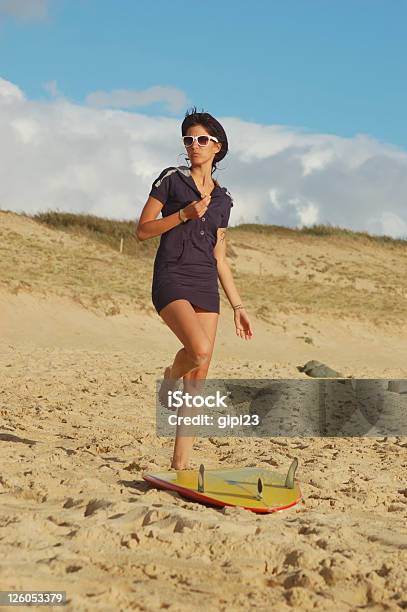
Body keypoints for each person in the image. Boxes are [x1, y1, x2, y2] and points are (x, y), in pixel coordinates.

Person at [136, 106, 253, 469]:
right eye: (188, 139)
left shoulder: (224, 200)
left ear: (217, 147)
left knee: (198, 381)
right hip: (171, 275)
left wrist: (238, 307)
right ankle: (170, 376)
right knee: (197, 350)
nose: (193, 145)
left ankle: (180, 465)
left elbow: (220, 257)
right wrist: (183, 215)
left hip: (205, 283)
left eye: (202, 139)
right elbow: (142, 230)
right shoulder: (171, 180)